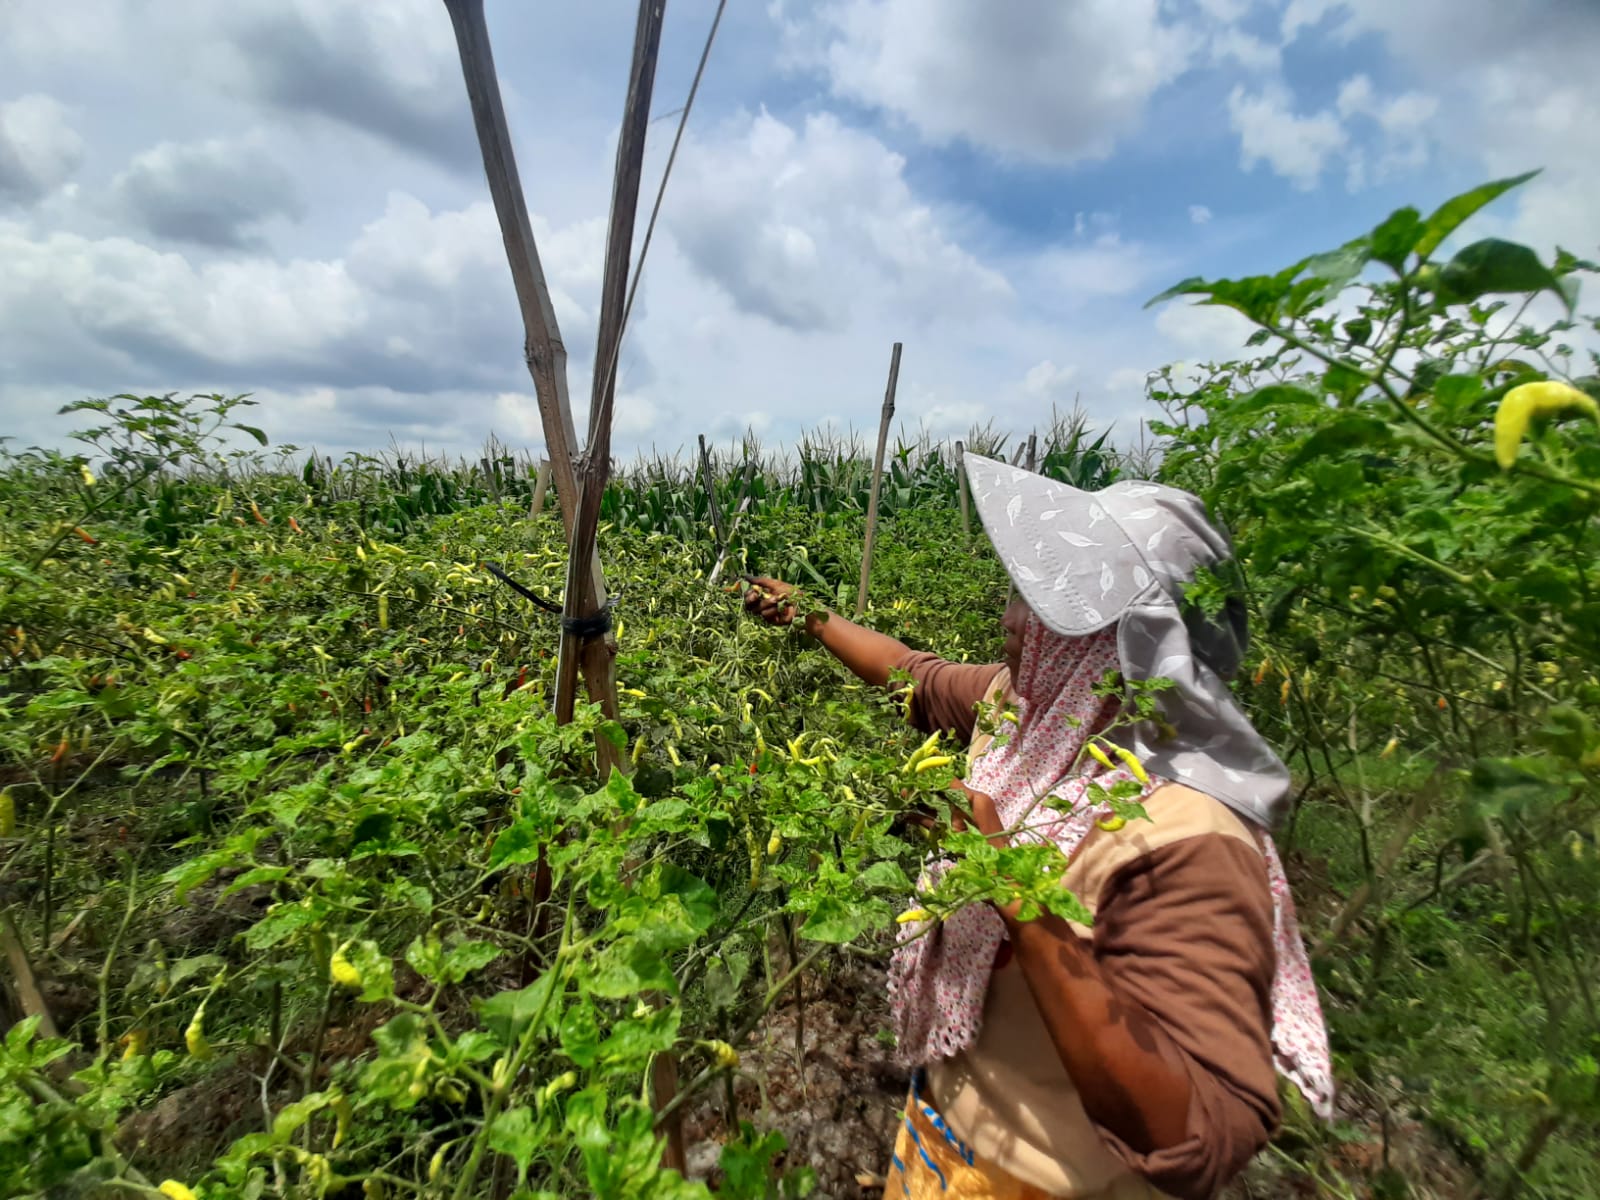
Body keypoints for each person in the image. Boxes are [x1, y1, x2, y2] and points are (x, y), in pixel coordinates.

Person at [743, 453, 1332, 1200]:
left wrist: (1005, 879)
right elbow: (912, 675)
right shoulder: (1026, 715)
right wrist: (809, 613)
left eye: (1035, 605)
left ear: (1114, 641)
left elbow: (1203, 1135)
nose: (1010, 620)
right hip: (942, 1139)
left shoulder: (1191, 834)